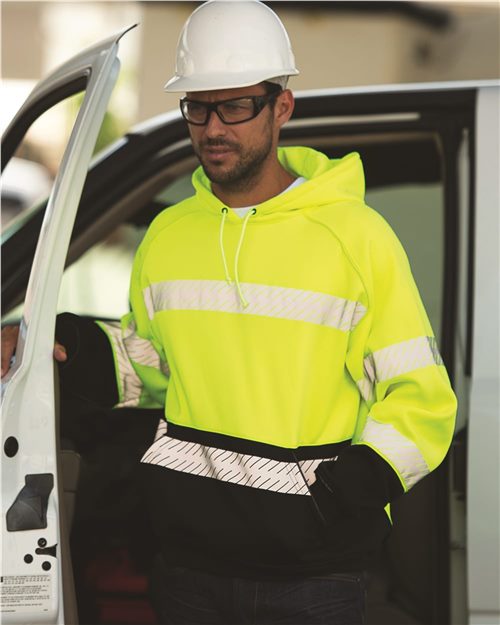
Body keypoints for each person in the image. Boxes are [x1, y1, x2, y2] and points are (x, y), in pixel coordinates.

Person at [1, 1, 457, 623]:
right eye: (199, 106)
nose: (214, 128)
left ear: (281, 107)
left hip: (313, 579)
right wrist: (59, 343)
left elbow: (421, 398)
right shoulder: (168, 234)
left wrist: (345, 492)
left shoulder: (357, 237)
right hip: (189, 570)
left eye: (236, 106)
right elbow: (154, 364)